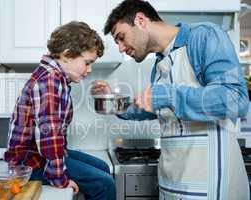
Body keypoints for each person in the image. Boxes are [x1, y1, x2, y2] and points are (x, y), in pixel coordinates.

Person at [91, 0, 250, 199]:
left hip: (209, 186)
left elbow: (236, 99)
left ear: (141, 20)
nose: (121, 48)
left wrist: (166, 95)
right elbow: (156, 107)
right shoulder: (159, 65)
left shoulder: (203, 36)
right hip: (171, 183)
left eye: (121, 38)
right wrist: (112, 101)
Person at [4, 21, 116, 200]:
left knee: (103, 167)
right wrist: (59, 178)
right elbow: (50, 135)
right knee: (105, 184)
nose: (90, 69)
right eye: (87, 63)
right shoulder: (49, 81)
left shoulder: (56, 78)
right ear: (67, 54)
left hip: (39, 157)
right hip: (31, 165)